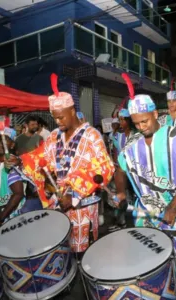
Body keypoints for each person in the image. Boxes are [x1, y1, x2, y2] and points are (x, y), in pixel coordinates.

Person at [114, 73, 176, 300]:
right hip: (146, 213)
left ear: (155, 114)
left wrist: (173, 206)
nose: (142, 127)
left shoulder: (174, 136)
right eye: (137, 123)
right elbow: (120, 169)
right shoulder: (132, 144)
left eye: (146, 121)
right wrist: (121, 191)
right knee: (151, 260)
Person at [42, 74, 114, 256]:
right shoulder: (52, 137)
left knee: (84, 255)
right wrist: (48, 182)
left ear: (72, 111)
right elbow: (46, 166)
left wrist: (74, 195)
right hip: (57, 206)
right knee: (60, 255)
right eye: (55, 118)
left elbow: (105, 169)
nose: (58, 122)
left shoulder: (92, 136)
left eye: (61, 117)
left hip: (83, 207)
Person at [107, 108, 138, 232]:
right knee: (119, 194)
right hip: (121, 170)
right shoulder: (117, 135)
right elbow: (115, 152)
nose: (120, 123)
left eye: (122, 120)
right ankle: (121, 221)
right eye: (119, 120)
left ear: (128, 120)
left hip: (134, 172)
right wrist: (115, 166)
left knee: (134, 195)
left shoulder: (136, 135)